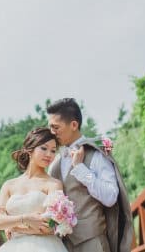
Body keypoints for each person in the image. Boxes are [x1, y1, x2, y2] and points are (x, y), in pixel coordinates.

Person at [47, 98, 132, 252]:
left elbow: (110, 197)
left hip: (92, 244)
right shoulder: (54, 163)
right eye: (50, 127)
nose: (51, 132)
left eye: (56, 127)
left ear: (74, 125)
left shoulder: (96, 154)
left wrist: (81, 169)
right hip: (61, 245)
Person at [0, 127, 69, 252]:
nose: (49, 154)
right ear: (30, 150)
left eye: (53, 151)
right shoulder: (9, 185)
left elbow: (51, 226)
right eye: (44, 148)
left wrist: (13, 227)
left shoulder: (53, 184)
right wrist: (25, 218)